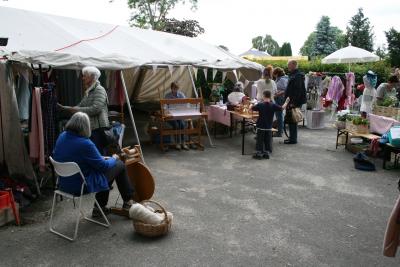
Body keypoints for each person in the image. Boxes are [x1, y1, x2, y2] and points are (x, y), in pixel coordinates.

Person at [53, 112, 134, 217]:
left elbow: (72, 156)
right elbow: (103, 166)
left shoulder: (62, 136)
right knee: (119, 165)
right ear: (85, 126)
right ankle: (128, 203)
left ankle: (99, 208)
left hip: (64, 184)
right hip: (81, 185)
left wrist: (102, 159)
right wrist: (114, 158)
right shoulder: (85, 143)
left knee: (108, 170)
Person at [58, 66, 110, 154]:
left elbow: (96, 109)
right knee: (93, 152)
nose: (83, 78)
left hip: (98, 128)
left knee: (98, 152)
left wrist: (76, 110)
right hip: (91, 127)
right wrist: (64, 108)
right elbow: (79, 106)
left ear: (92, 77)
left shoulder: (99, 90)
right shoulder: (89, 91)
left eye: (85, 76)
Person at [251, 90, 289, 159]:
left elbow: (252, 108)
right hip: (268, 127)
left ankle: (259, 153)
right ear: (270, 96)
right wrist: (286, 101)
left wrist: (252, 103)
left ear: (263, 96)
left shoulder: (260, 104)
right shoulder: (273, 105)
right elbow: (282, 108)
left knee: (259, 140)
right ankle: (266, 153)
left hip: (260, 126)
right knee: (267, 140)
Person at [284, 60, 307, 144]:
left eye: (289, 65)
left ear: (294, 65)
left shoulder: (297, 76)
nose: (288, 66)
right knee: (291, 120)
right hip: (291, 101)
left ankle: (293, 139)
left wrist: (293, 102)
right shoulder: (294, 75)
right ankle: (292, 138)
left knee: (293, 120)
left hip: (294, 102)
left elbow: (298, 90)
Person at [165, 82, 189, 150]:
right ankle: (177, 143)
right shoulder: (167, 96)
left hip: (179, 115)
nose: (175, 90)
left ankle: (183, 143)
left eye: (177, 88)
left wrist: (182, 109)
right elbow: (165, 106)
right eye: (174, 88)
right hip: (171, 116)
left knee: (182, 124)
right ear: (171, 88)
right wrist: (167, 112)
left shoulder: (181, 94)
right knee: (176, 125)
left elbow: (186, 104)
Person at [272, 67, 289, 137]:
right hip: (278, 98)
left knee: (279, 115)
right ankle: (279, 131)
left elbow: (285, 90)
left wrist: (276, 95)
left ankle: (279, 132)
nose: (273, 75)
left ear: (277, 73)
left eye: (274, 74)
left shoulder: (282, 79)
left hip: (280, 99)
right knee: (279, 115)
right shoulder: (280, 79)